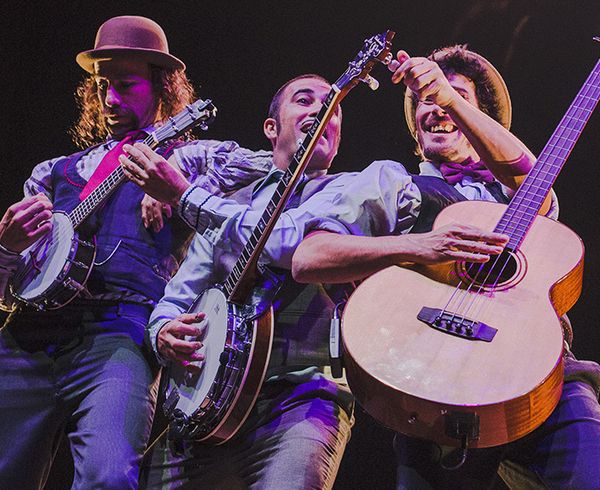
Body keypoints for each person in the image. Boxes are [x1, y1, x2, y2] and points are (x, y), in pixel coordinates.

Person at [289, 46, 600, 489]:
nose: (434, 107)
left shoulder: (521, 197)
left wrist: (448, 97)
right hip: (435, 385)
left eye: (455, 97)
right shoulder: (395, 184)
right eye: (425, 102)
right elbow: (309, 257)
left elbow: (534, 179)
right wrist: (421, 245)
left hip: (543, 379)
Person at [0, 16, 270, 489]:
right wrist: (6, 248)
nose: (110, 99)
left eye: (125, 85)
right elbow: (8, 293)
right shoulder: (52, 173)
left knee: (108, 477)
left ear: (162, 87)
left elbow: (281, 169)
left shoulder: (192, 157)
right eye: (102, 85)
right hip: (28, 336)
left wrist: (181, 188)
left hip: (119, 335)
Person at [120, 74, 355, 489]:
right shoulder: (232, 200)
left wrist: (184, 195)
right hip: (201, 406)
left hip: (301, 400)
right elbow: (177, 295)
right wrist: (163, 332)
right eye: (304, 100)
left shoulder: (351, 192)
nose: (322, 111)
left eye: (333, 109)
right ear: (271, 128)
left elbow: (287, 243)